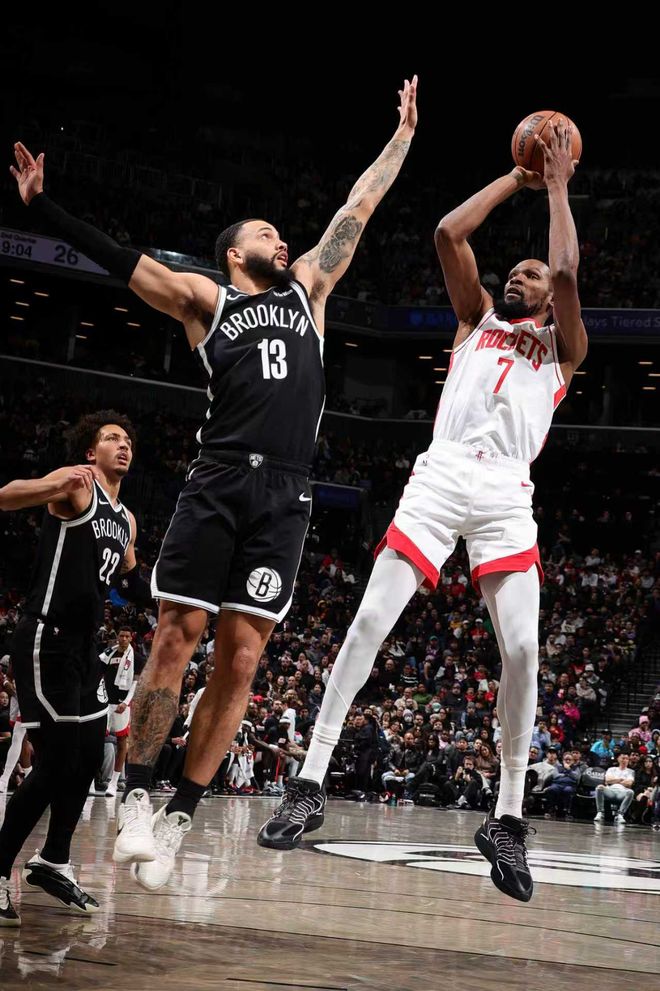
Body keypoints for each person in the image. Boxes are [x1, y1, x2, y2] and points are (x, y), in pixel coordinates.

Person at [9, 75, 418, 890]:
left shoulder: (310, 290)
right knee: (177, 633)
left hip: (287, 493)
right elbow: (124, 264)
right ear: (236, 251)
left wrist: (402, 136)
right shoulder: (209, 300)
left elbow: (359, 207)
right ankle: (136, 795)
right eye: (267, 232)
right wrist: (42, 208)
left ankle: (180, 816)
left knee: (242, 660)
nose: (283, 239)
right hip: (220, 477)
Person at [258, 119, 586, 906]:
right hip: (441, 477)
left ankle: (507, 817)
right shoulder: (476, 320)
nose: (521, 277)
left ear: (547, 296)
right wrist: (516, 178)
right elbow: (447, 232)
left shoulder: (563, 349)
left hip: (507, 495)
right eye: (515, 271)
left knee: (524, 650)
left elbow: (570, 269)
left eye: (530, 274)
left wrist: (558, 186)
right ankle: (309, 781)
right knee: (370, 620)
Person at [0, 412, 148, 926]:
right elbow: (8, 494)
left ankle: (53, 860)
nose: (123, 446)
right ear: (90, 451)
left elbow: (130, 587)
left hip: (86, 648)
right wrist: (53, 485)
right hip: (49, 638)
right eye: (111, 438)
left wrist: (158, 580)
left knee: (87, 756)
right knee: (57, 763)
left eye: (127, 440)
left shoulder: (126, 519)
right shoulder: (76, 484)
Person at [99, 627, 138, 797]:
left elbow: (136, 682)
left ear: (131, 638)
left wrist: (126, 702)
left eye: (126, 636)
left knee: (122, 741)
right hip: (104, 702)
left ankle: (114, 783)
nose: (123, 639)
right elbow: (98, 676)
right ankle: (92, 781)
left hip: (122, 704)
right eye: (121, 636)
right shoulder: (108, 654)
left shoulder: (137, 658)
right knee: (97, 740)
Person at [593, 753, 635, 825]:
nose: (624, 760)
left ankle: (620, 814)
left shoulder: (631, 771)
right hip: (611, 790)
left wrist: (614, 780)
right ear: (618, 759)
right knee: (599, 787)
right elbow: (608, 780)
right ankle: (600, 812)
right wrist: (621, 780)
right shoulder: (611, 769)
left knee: (630, 792)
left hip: (622, 792)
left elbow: (629, 783)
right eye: (623, 758)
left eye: (626, 759)